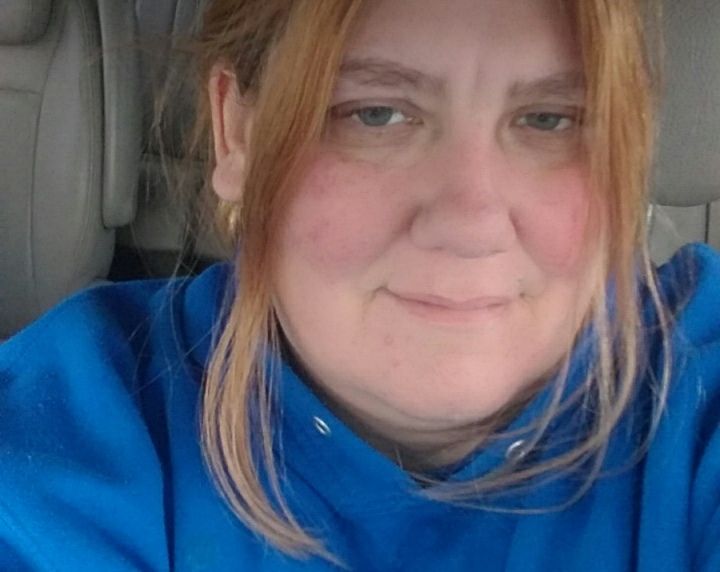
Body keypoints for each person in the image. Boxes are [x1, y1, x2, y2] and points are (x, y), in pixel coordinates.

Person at [1, 0, 719, 570]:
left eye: (550, 120)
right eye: (375, 114)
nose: (471, 223)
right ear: (236, 133)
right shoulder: (72, 425)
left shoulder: (695, 400)